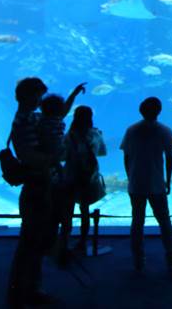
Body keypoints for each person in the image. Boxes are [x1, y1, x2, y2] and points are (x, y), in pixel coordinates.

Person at [7, 78, 85, 308]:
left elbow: (58, 116)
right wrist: (58, 157)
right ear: (25, 96)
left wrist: (72, 94)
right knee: (29, 244)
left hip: (45, 184)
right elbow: (30, 156)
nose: (40, 100)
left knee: (36, 242)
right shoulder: (23, 121)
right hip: (36, 186)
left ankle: (31, 288)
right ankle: (20, 293)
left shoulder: (35, 117)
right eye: (37, 95)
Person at [120, 97, 172, 274]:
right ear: (159, 110)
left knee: (137, 221)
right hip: (157, 183)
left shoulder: (131, 130)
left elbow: (126, 157)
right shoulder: (164, 130)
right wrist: (168, 179)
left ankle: (138, 260)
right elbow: (170, 157)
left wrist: (130, 177)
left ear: (140, 110)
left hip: (136, 184)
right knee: (164, 221)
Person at [61, 106, 107, 255]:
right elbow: (102, 153)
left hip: (70, 177)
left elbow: (62, 157)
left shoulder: (69, 135)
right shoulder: (95, 134)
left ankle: (64, 242)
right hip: (89, 178)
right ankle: (82, 241)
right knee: (85, 211)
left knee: (67, 211)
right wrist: (100, 136)